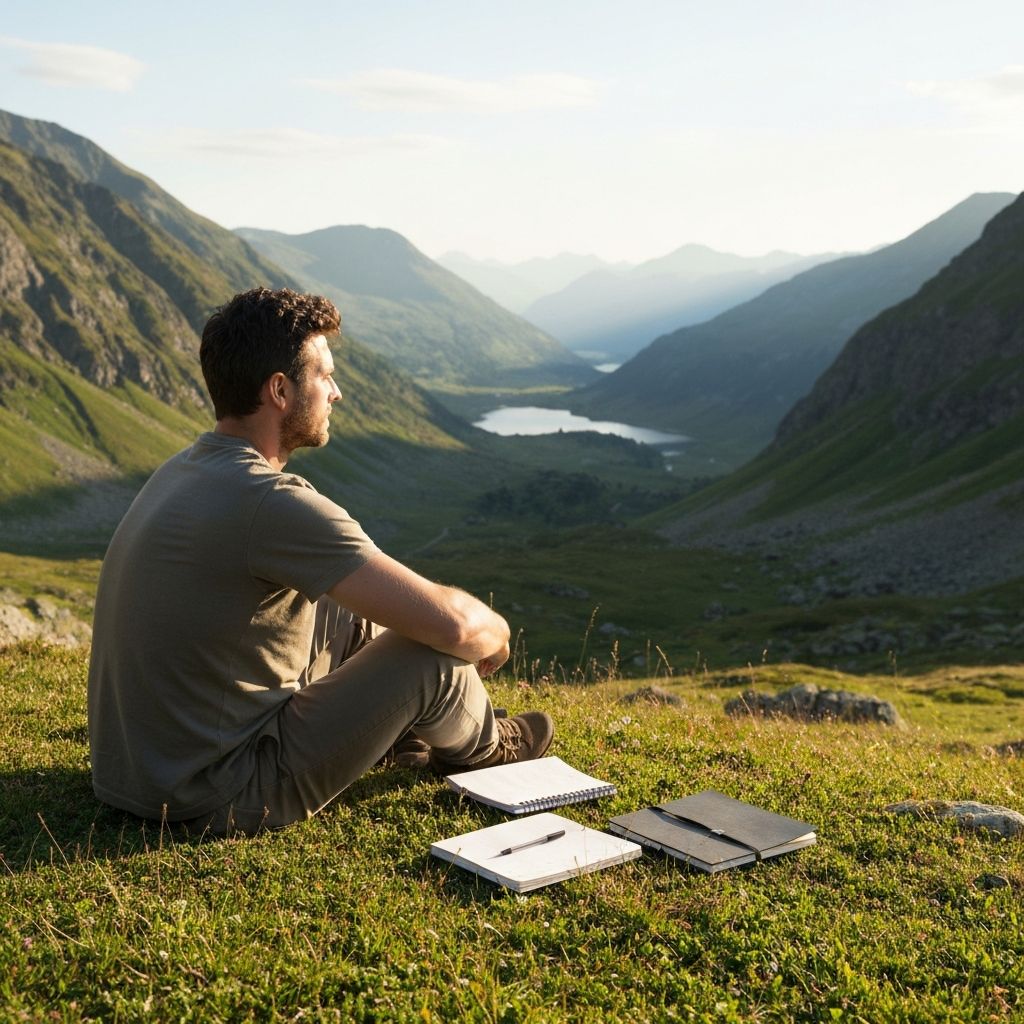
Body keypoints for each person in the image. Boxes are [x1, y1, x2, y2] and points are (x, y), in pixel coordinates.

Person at [87, 286, 553, 836]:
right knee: (432, 658)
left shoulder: (183, 469)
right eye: (324, 375)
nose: (336, 392)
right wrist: (496, 631)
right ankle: (488, 749)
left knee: (347, 605)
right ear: (280, 390)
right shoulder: (269, 501)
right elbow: (450, 626)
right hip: (215, 794)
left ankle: (403, 733)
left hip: (135, 775)